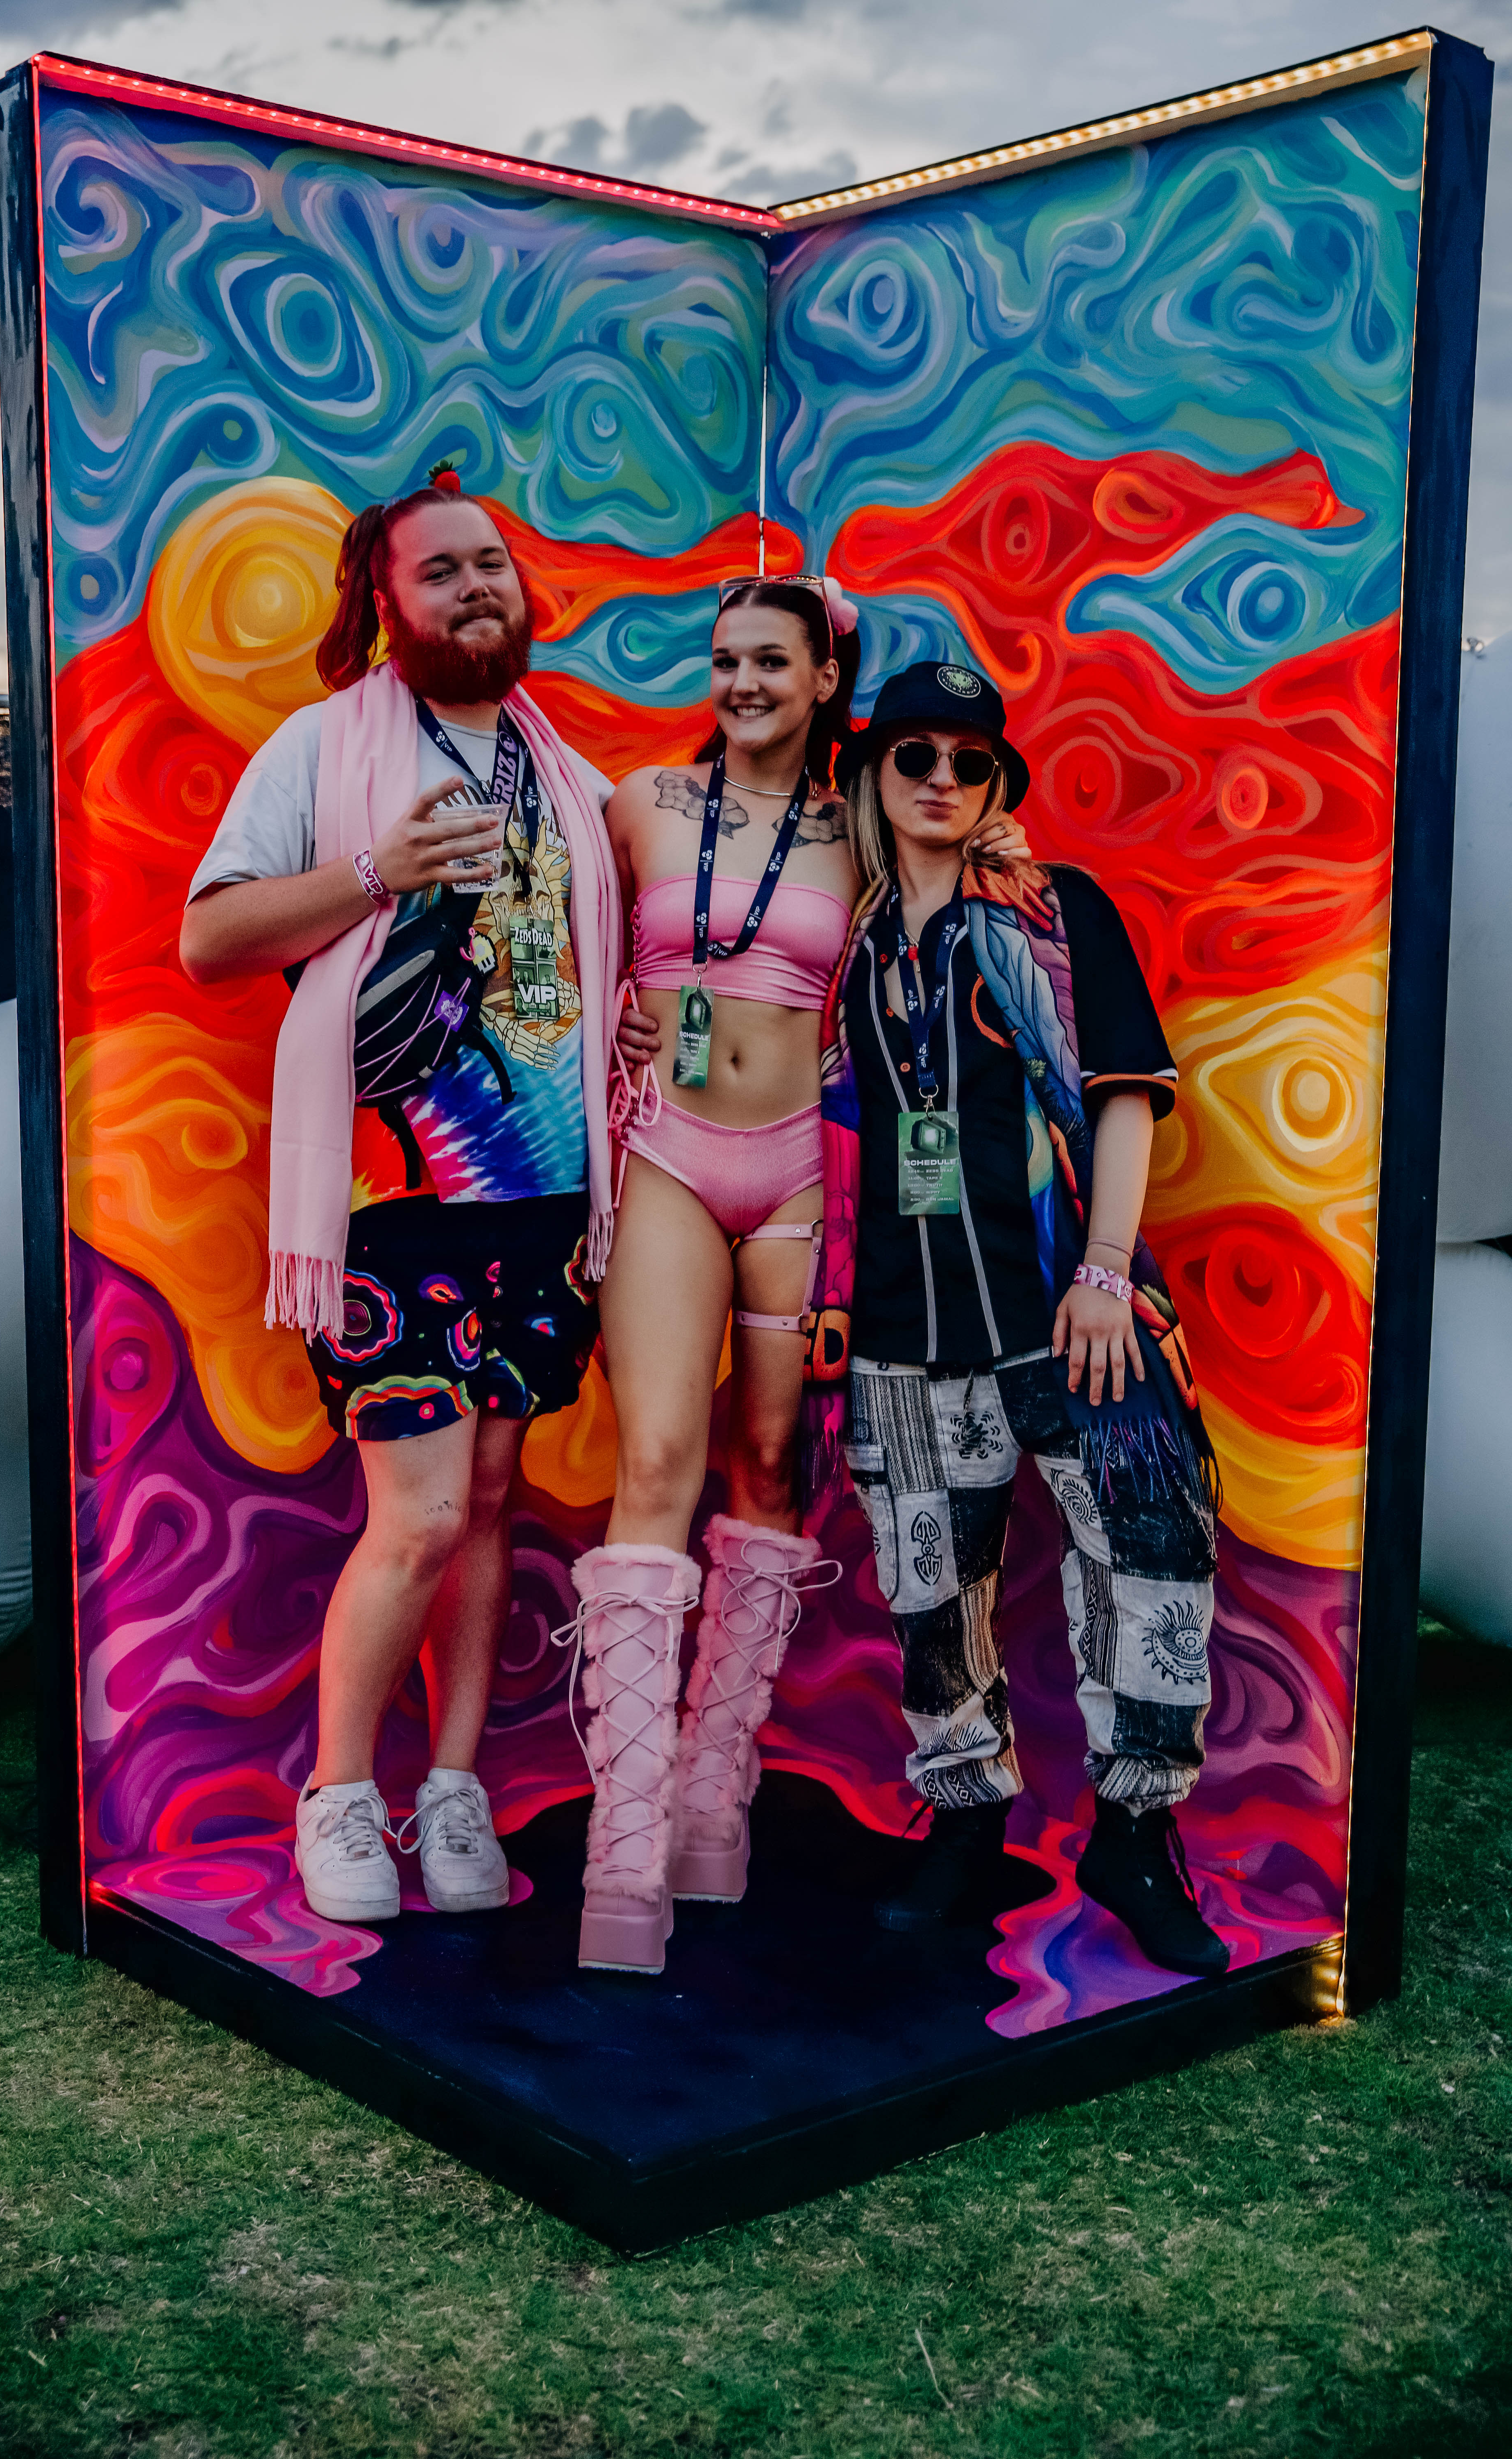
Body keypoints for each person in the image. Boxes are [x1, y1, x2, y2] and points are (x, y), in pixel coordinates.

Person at [180, 469, 631, 1929]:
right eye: (441, 570)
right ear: (385, 604)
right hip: (394, 1203)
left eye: (491, 561)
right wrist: (376, 872)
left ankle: (450, 1789)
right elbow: (210, 940)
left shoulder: (569, 775)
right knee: (423, 1515)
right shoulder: (323, 746)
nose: (477, 585)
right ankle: (336, 1796)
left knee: (491, 1503)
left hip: (549, 1210)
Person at [823, 656, 1229, 1979]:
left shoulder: (1054, 912)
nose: (942, 779)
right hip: (904, 1328)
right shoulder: (851, 943)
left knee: (1151, 1555)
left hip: (1068, 1310)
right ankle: (964, 1818)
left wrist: (1105, 1271)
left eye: (972, 763)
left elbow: (1124, 1091)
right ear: (873, 774)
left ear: (997, 783)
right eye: (915, 756)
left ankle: (1135, 1836)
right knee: (931, 1593)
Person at [545, 574, 864, 1977]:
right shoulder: (640, 805)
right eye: (726, 659)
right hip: (668, 1151)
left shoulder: (864, 827)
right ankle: (626, 1844)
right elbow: (549, 946)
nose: (742, 683)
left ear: (825, 679)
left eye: (772, 661)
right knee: (660, 1456)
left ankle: (713, 1800)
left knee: (774, 1464)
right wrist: (607, 1017)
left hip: (801, 1169)